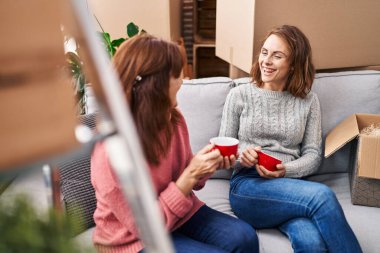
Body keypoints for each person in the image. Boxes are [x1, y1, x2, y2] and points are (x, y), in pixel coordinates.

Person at [91, 34, 258, 253]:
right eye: (178, 74)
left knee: (245, 237)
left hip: (179, 214)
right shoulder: (111, 152)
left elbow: (189, 178)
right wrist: (189, 175)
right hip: (132, 238)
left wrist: (208, 164)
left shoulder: (174, 120)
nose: (184, 80)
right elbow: (147, 228)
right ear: (156, 84)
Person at [219, 25, 362, 253]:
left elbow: (313, 155)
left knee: (312, 244)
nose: (266, 61)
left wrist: (285, 170)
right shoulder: (240, 95)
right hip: (249, 186)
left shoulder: (308, 101)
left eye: (277, 56)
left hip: (292, 187)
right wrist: (241, 157)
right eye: (264, 52)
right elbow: (224, 150)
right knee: (323, 196)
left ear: (294, 64)